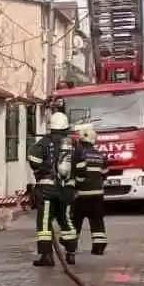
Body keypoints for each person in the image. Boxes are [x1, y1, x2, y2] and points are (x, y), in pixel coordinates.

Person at [27, 111, 83, 267]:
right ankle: (71, 252)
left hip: (46, 190)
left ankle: (46, 256)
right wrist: (75, 184)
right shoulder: (74, 145)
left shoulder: (44, 142)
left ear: (51, 127)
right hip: (66, 190)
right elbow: (82, 168)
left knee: (44, 223)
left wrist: (42, 170)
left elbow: (33, 161)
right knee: (65, 220)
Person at [72, 123, 108, 255]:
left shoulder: (77, 154)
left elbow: (73, 172)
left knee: (75, 221)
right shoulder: (99, 155)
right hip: (97, 195)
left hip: (80, 195)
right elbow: (104, 173)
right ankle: (99, 246)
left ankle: (71, 246)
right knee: (97, 221)